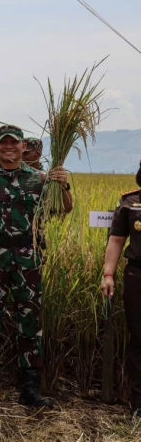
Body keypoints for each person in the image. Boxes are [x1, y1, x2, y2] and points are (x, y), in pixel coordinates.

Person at [0, 125, 72, 408]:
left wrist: (64, 185)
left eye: (14, 143)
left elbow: (63, 209)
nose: (9, 147)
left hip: (28, 260)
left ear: (24, 147)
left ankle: (30, 389)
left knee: (30, 324)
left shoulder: (41, 179)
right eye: (3, 143)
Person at [101, 161, 141, 418]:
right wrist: (108, 274)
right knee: (139, 338)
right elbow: (116, 240)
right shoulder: (130, 203)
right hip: (137, 274)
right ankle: (138, 403)